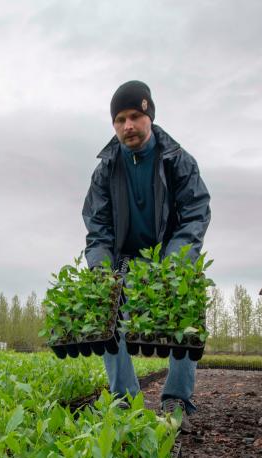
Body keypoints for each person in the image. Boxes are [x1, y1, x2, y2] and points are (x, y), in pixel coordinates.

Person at [81, 80, 211, 415]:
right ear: (114, 124)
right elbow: (99, 228)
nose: (128, 125)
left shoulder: (177, 160)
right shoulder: (106, 170)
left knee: (183, 315)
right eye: (120, 119)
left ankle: (177, 399)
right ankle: (125, 399)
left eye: (135, 116)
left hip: (170, 255)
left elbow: (195, 212)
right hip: (126, 257)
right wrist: (101, 268)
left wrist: (176, 262)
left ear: (149, 116)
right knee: (106, 312)